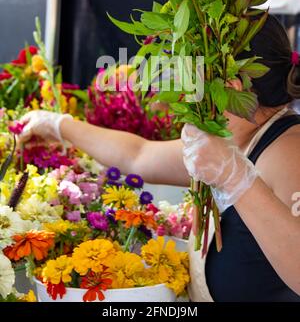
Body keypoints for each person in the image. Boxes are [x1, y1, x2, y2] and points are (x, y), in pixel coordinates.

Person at [19, 15, 300, 302]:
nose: (183, 100)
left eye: (192, 85)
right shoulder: (234, 139)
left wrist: (239, 181)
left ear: (230, 87)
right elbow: (139, 155)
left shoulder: (290, 152)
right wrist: (57, 125)